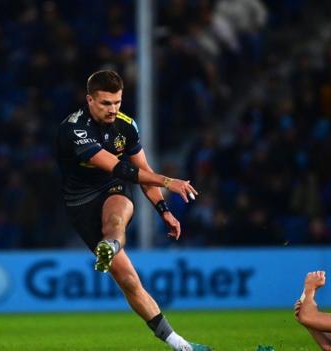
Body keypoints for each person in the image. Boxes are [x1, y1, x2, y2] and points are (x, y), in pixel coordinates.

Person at [57, 70, 210, 351]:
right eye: (105, 103)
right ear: (90, 100)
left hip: (111, 189)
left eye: (117, 102)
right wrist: (168, 181)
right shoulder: (74, 129)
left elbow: (142, 173)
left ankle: (182, 347)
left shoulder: (126, 126)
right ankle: (176, 341)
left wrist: (164, 210)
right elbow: (119, 167)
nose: (113, 109)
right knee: (128, 280)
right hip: (80, 203)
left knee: (117, 215)